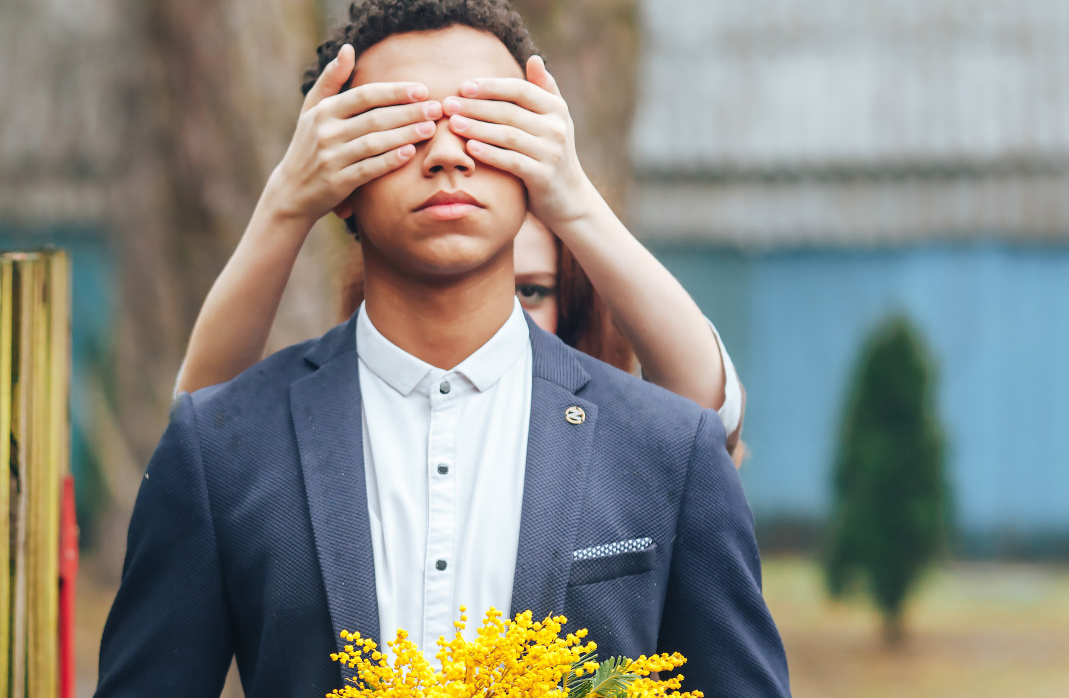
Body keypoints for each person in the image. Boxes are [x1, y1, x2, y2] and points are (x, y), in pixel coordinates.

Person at [78, 0, 807, 698]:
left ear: (540, 159)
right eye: (400, 125)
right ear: (337, 171)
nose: (450, 150)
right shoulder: (223, 443)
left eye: (488, 120)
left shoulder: (667, 446)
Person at [174, 26, 746, 454]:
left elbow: (707, 415)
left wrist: (573, 196)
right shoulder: (294, 427)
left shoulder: (627, 440)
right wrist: (286, 200)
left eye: (533, 290)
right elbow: (199, 440)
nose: (448, 154)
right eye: (404, 127)